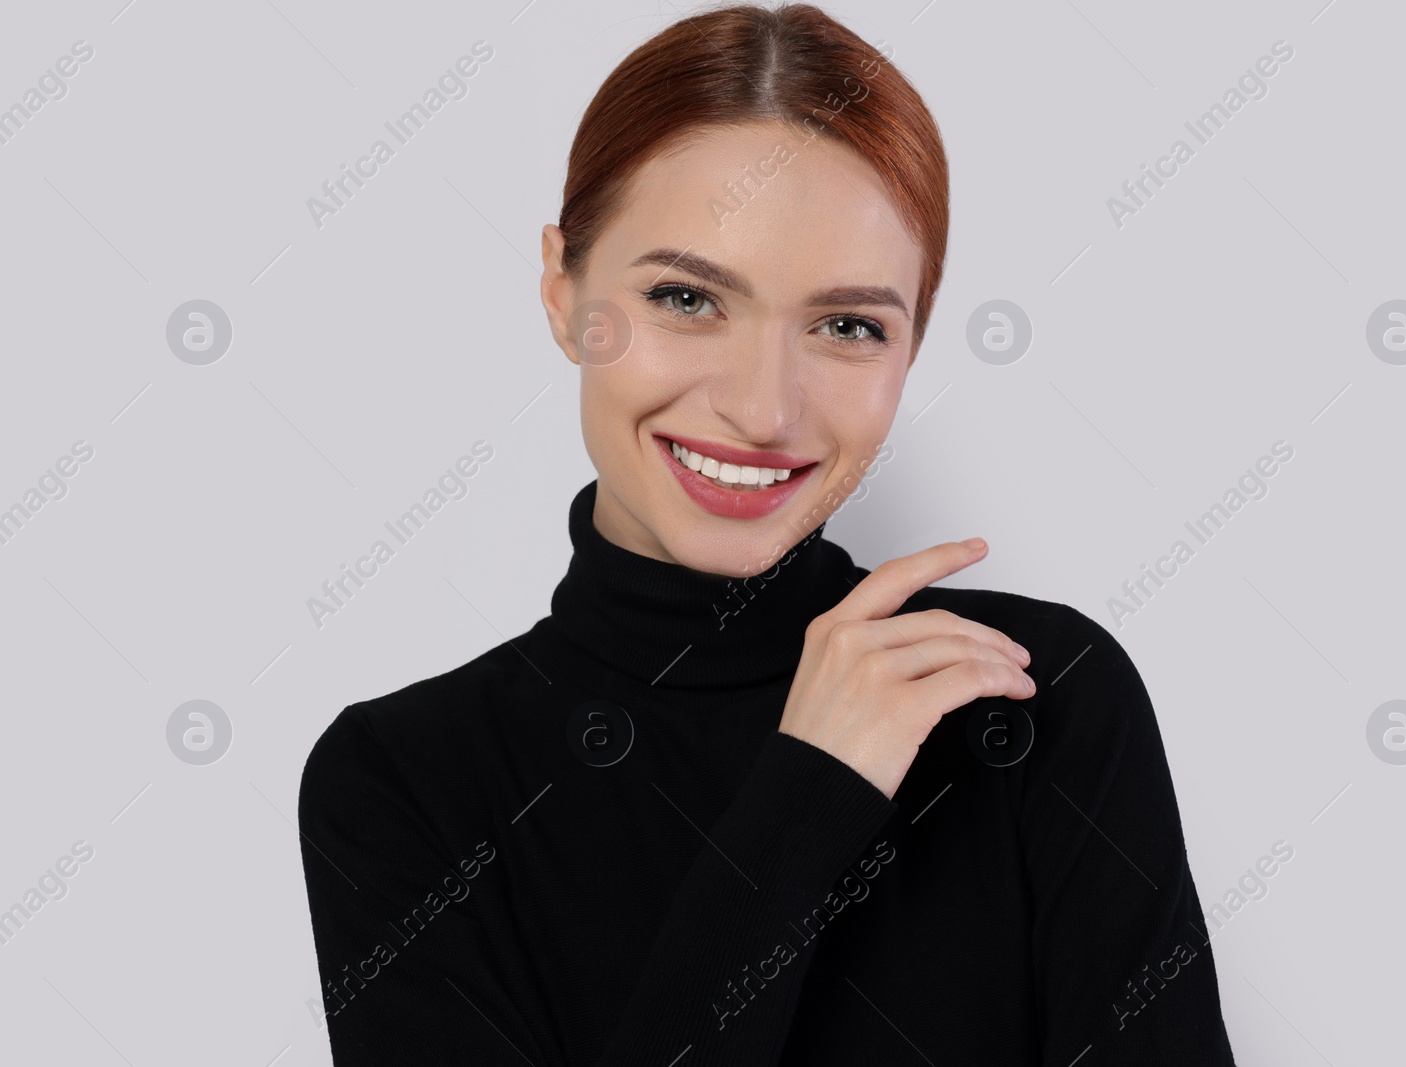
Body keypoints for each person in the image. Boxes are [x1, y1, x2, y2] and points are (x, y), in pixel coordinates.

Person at [297, 4, 1235, 1063]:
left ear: (915, 335)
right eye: (687, 296)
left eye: (847, 325)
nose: (763, 409)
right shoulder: (404, 780)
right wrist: (812, 789)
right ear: (563, 289)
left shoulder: (1028, 697)